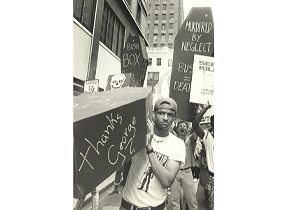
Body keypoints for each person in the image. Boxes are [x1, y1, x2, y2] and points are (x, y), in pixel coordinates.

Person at [120, 97, 186, 210]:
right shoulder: (139, 135)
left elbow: (166, 181)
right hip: (127, 205)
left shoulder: (177, 144)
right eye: (161, 113)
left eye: (170, 114)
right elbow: (127, 164)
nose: (165, 118)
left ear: (174, 117)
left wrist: (149, 148)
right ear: (154, 114)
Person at [170, 121, 198, 210]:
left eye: (184, 126)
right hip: (175, 172)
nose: (182, 127)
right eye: (180, 126)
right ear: (177, 129)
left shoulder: (191, 139)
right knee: (175, 201)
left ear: (187, 129)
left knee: (192, 200)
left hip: (187, 172)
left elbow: (196, 125)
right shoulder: (173, 139)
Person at [192, 102, 214, 210]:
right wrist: (204, 109)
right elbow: (195, 125)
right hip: (212, 177)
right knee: (211, 205)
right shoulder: (208, 137)